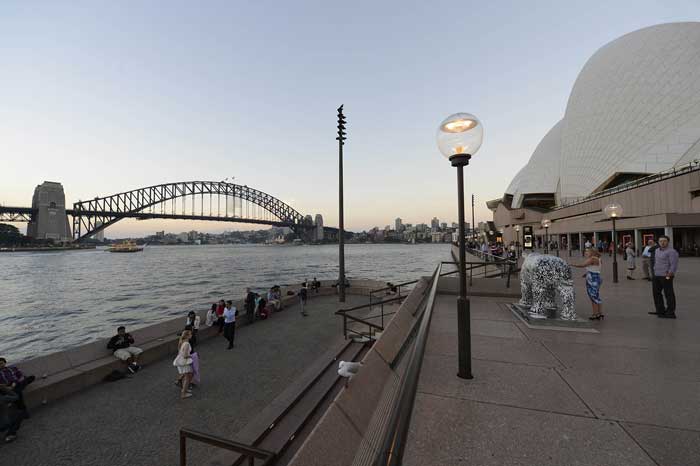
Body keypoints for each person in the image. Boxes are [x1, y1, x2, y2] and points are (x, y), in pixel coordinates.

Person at [651, 235, 679, 319]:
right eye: (660, 241)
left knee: (668, 294)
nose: (662, 243)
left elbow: (674, 264)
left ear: (668, 242)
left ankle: (670, 313)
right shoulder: (656, 251)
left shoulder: (672, 251)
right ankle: (660, 310)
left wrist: (670, 273)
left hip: (666, 276)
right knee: (656, 293)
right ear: (658, 242)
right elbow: (655, 262)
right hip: (656, 275)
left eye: (664, 241)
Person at [572, 249, 603, 320]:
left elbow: (582, 265)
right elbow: (595, 269)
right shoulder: (598, 259)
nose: (585, 253)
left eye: (587, 252)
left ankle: (595, 314)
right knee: (596, 296)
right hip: (596, 278)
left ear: (592, 252)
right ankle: (599, 313)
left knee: (593, 297)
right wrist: (586, 274)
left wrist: (572, 264)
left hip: (592, 280)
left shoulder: (592, 259)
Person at [172, 330, 194, 399]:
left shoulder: (182, 342)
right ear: (187, 336)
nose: (191, 335)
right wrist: (192, 356)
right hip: (185, 362)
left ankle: (185, 389)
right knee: (187, 377)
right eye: (190, 334)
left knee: (189, 374)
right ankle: (183, 393)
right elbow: (185, 355)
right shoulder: (187, 344)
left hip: (181, 362)